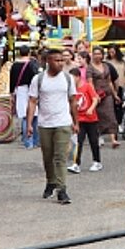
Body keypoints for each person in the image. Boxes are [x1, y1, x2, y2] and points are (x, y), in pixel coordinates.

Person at [26, 48, 78, 204]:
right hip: (44, 124)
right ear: (48, 61)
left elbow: (73, 101)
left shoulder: (68, 79)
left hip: (63, 122)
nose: (60, 63)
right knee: (47, 157)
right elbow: (33, 101)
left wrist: (76, 122)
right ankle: (51, 182)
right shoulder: (39, 79)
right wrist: (29, 124)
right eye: (57, 60)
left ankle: (62, 190)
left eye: (62, 60)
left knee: (60, 158)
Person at [71, 54, 102, 173]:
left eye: (73, 77)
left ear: (78, 77)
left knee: (94, 141)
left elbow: (95, 98)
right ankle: (76, 163)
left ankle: (97, 161)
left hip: (91, 119)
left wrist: (91, 108)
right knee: (78, 142)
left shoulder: (87, 86)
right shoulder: (72, 90)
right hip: (79, 119)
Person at [10, 45, 40, 149]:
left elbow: (12, 81)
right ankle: (36, 141)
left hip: (20, 91)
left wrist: (11, 93)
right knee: (34, 115)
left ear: (19, 53)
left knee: (24, 116)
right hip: (33, 90)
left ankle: (28, 142)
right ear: (29, 52)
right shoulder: (32, 64)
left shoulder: (15, 65)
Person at [90, 46, 120, 149]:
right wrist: (94, 95)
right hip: (96, 94)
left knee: (110, 115)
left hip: (107, 93)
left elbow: (110, 81)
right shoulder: (90, 67)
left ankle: (113, 139)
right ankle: (98, 136)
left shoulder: (106, 66)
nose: (97, 56)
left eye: (99, 54)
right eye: (95, 54)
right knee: (98, 117)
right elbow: (90, 83)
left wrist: (115, 94)